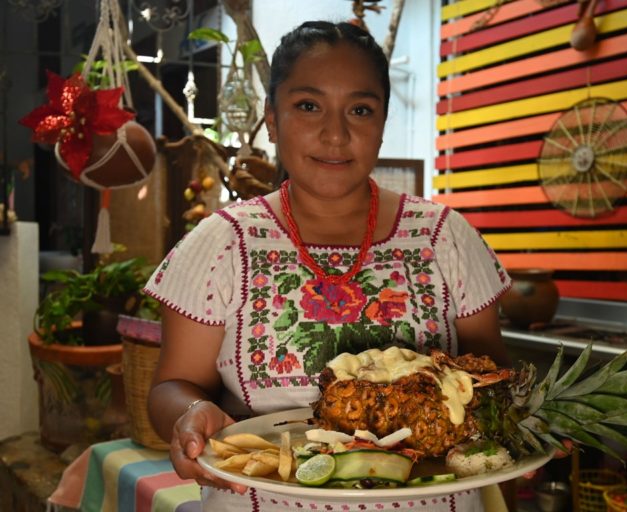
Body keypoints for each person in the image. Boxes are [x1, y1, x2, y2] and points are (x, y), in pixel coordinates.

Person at [144, 20, 513, 512]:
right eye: (308, 106)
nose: (335, 133)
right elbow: (171, 386)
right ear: (272, 120)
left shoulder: (445, 237)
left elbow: (493, 380)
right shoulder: (223, 243)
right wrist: (190, 412)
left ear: (382, 123)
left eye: (360, 110)